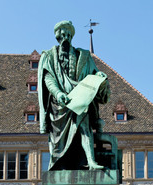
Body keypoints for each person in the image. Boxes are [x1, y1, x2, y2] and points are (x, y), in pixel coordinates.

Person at [38, 20, 110, 171]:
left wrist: (99, 75)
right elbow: (48, 79)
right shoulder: (49, 56)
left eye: (69, 34)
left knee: (84, 127)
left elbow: (93, 72)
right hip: (60, 105)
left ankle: (90, 161)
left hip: (79, 98)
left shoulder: (83, 55)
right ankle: (61, 164)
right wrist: (58, 94)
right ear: (57, 36)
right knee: (59, 140)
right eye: (63, 34)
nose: (66, 37)